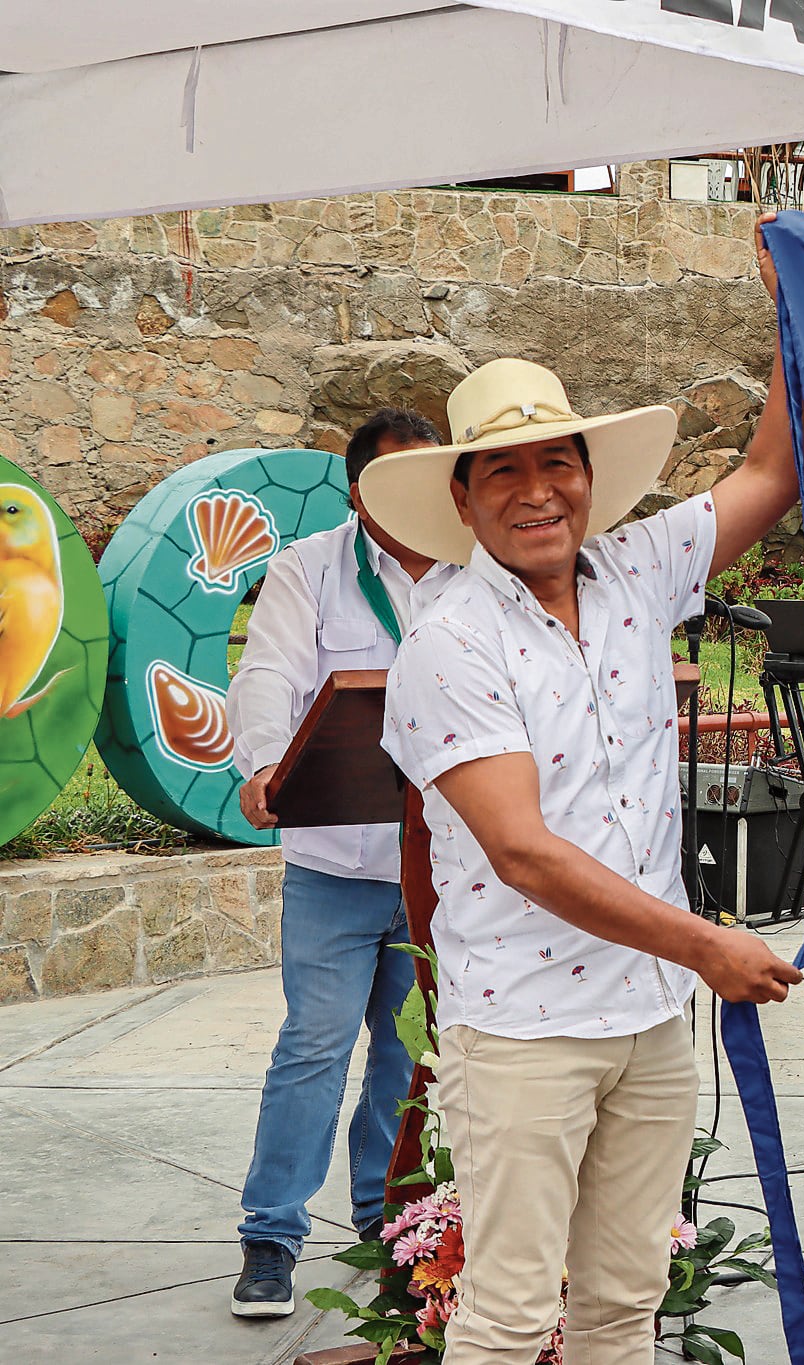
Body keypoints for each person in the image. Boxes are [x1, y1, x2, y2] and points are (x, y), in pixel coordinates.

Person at [362, 217, 803, 1365]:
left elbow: (770, 473)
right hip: (525, 1030)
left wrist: (794, 305)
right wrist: (706, 945)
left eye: (555, 461)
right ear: (463, 500)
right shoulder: (451, 641)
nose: (535, 491)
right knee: (509, 1314)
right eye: (502, 470)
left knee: (624, 1302)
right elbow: (522, 852)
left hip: (647, 1015)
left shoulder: (637, 570)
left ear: (589, 478)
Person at [227, 408, 463, 1316]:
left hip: (439, 867)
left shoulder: (474, 569)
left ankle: (387, 1216)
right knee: (313, 1049)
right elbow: (268, 676)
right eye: (400, 481)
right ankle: (271, 1236)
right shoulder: (309, 569)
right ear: (360, 494)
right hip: (335, 863)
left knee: (409, 1055)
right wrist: (261, 764)